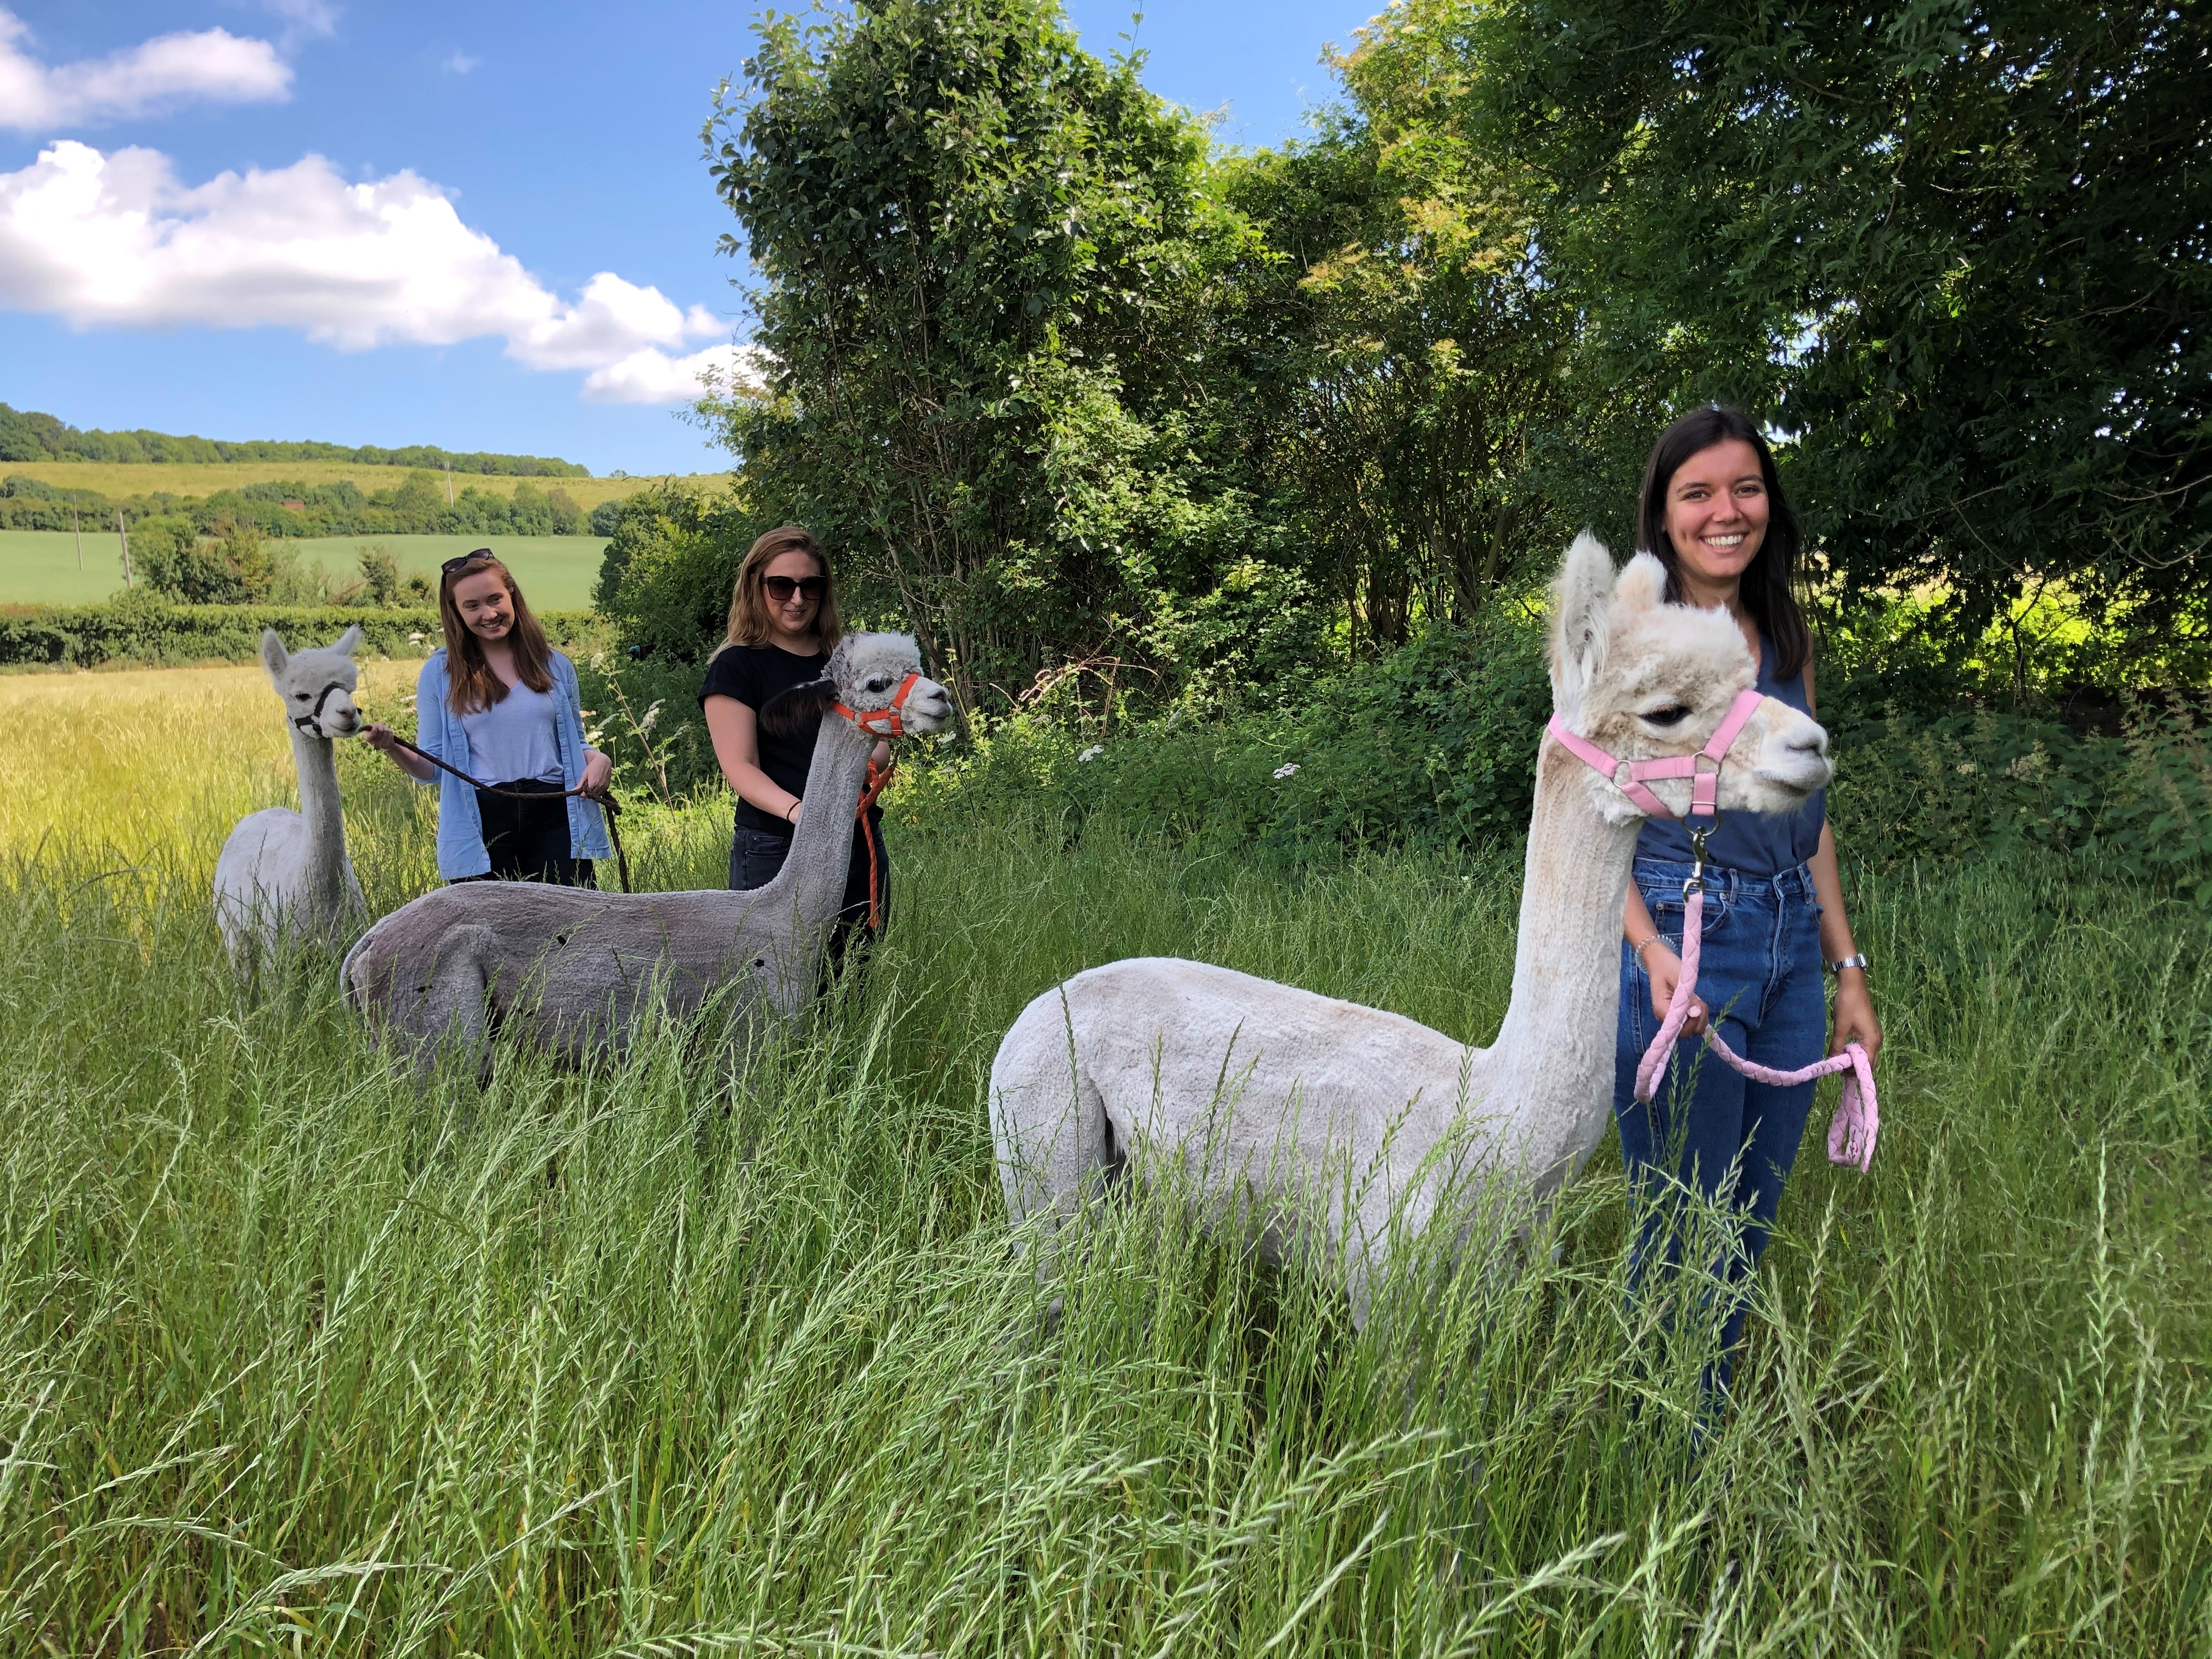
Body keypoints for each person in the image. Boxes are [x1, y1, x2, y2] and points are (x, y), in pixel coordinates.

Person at [1613, 406, 1883, 1404]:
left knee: (1746, 1221)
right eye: (1698, 492)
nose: (1726, 511)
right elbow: (1583, 805)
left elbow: (1810, 817)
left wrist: (1843, 968)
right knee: (1680, 1219)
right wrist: (1645, 949)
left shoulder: (1783, 635)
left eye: (1746, 487)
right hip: (1685, 936)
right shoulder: (1637, 641)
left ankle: (1703, 1428)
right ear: (1663, 511)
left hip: (1785, 947)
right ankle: (1662, 1463)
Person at [698, 526, 890, 974]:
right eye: (781, 585)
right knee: (770, 990)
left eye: (811, 585)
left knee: (851, 983)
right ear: (756, 586)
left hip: (855, 840)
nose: (797, 598)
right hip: (774, 845)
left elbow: (877, 749)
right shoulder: (738, 665)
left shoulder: (847, 660)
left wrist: (869, 755)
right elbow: (740, 768)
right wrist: (804, 814)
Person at [365, 550, 612, 884]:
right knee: (489, 935)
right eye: (473, 606)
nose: (489, 613)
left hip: (556, 816)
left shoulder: (555, 665)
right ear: (456, 612)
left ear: (512, 594)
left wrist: (598, 760)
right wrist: (392, 746)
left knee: (571, 931)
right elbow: (431, 769)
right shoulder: (440, 673)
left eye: (495, 598)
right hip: (481, 821)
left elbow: (573, 744)